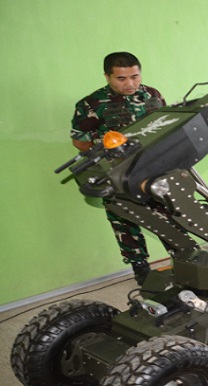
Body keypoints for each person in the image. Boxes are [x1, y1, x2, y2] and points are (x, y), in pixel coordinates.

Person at [70, 52, 165, 285]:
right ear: (107, 76)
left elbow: (165, 126)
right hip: (117, 173)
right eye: (121, 78)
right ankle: (140, 268)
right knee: (125, 220)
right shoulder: (90, 105)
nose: (130, 84)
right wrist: (107, 144)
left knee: (169, 215)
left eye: (135, 76)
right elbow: (80, 141)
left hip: (153, 167)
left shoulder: (152, 96)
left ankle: (182, 257)